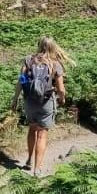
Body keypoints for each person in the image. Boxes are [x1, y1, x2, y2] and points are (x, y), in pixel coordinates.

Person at [17, 37, 71, 175]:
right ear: (53, 48)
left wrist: (15, 98)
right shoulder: (55, 64)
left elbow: (20, 81)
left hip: (29, 101)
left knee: (32, 129)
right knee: (42, 135)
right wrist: (62, 98)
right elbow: (61, 88)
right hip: (46, 102)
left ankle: (29, 159)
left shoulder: (29, 60)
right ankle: (38, 168)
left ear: (39, 45)